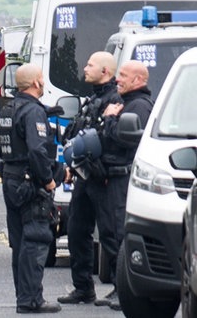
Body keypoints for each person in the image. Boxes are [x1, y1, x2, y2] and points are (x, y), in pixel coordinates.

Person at [57, 51, 123, 307]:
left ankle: (121, 288)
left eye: (90, 65)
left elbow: (113, 140)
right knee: (76, 230)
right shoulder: (93, 98)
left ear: (105, 71)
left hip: (103, 177)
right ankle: (83, 288)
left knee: (110, 233)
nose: (85, 68)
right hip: (85, 176)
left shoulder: (115, 100)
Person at [0, 63, 62, 314]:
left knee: (20, 242)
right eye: (42, 79)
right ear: (36, 83)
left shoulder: (8, 109)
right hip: (29, 183)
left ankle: (23, 296)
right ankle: (31, 299)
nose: (43, 82)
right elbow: (37, 150)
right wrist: (48, 179)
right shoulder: (32, 111)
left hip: (11, 179)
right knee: (35, 239)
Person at [97, 60, 153, 311]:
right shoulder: (126, 102)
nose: (118, 79)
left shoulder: (139, 106)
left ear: (139, 80)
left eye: (124, 76)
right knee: (109, 231)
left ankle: (127, 290)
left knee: (120, 233)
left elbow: (123, 140)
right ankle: (120, 286)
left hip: (124, 176)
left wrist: (109, 119)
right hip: (113, 175)